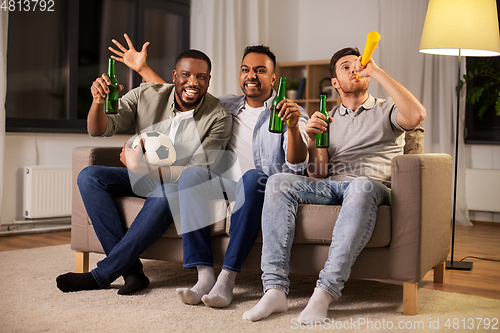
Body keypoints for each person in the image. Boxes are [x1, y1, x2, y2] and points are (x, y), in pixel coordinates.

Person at [108, 35, 309, 307]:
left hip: (263, 186)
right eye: (246, 69)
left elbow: (298, 165)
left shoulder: (290, 112)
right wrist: (142, 69)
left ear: (273, 79)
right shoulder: (226, 105)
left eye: (261, 70)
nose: (252, 76)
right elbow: (181, 90)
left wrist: (294, 126)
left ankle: (227, 280)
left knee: (251, 177)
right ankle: (204, 275)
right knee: (192, 174)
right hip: (225, 184)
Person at [242, 47, 426, 323]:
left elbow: (416, 116)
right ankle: (274, 289)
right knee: (278, 182)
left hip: (371, 187)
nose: (356, 68)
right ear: (335, 83)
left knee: (361, 186)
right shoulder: (327, 118)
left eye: (359, 64)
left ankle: (325, 292)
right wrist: (314, 140)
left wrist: (376, 71)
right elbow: (317, 174)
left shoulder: (387, 109)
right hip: (333, 187)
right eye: (346, 66)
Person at [56, 49, 232, 295]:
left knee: (166, 192)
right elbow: (100, 129)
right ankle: (132, 273)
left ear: (209, 80)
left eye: (201, 77)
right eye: (186, 75)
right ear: (174, 76)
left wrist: (143, 168)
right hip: (141, 176)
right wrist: (97, 102)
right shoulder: (147, 94)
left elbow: (197, 172)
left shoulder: (219, 116)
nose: (193, 82)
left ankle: (102, 274)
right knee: (89, 176)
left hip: (178, 186)